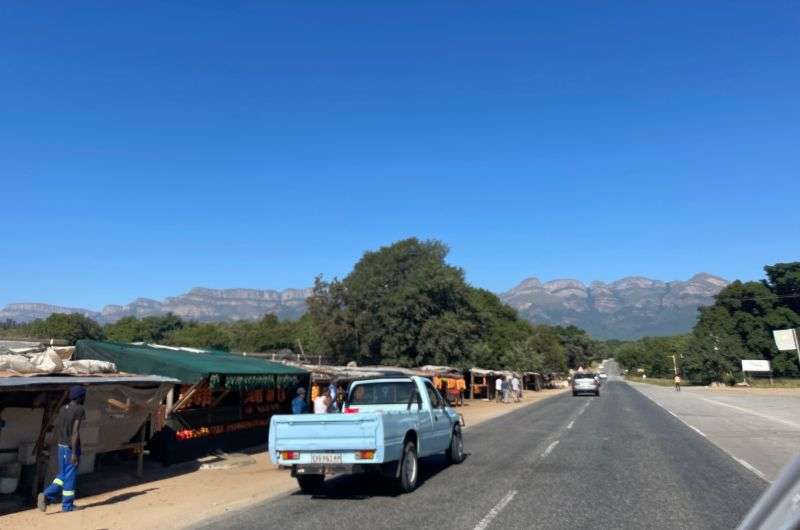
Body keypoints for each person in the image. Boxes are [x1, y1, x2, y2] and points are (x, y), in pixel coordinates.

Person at [39, 385, 86, 513]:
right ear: (80, 397)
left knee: (62, 475)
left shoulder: (62, 409)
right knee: (70, 476)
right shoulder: (79, 409)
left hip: (61, 446)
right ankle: (66, 505)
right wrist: (74, 453)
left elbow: (59, 428)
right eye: (83, 395)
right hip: (71, 447)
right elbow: (75, 432)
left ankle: (47, 496)